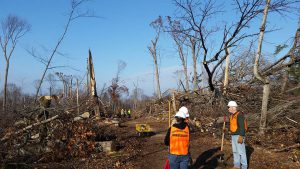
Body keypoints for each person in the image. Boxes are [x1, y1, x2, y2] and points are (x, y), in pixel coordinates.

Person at [228, 101, 247, 169]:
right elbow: (233, 126)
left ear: (233, 107)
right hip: (233, 136)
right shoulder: (232, 115)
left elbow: (242, 126)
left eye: (229, 107)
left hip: (239, 136)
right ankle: (236, 166)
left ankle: (244, 167)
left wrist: (241, 136)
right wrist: (227, 130)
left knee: (241, 152)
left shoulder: (239, 115)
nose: (228, 108)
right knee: (235, 152)